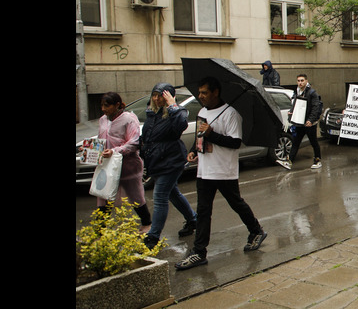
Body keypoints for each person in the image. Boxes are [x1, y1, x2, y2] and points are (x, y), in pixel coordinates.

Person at [177, 77, 267, 271]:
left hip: (224, 169)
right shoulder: (202, 112)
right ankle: (199, 252)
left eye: (204, 93)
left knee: (236, 203)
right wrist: (193, 150)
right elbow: (200, 136)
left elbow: (235, 143)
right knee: (203, 211)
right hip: (204, 170)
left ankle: (256, 231)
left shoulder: (231, 114)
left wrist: (212, 135)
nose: (200, 96)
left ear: (215, 92)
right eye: (199, 92)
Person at [140, 83, 198, 249]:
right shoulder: (152, 113)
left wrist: (172, 104)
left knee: (159, 196)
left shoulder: (177, 112)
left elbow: (181, 124)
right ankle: (193, 219)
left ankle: (153, 236)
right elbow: (148, 136)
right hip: (157, 160)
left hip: (171, 160)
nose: (157, 99)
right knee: (173, 193)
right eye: (155, 95)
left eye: (161, 96)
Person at [94, 92, 152, 232]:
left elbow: (134, 142)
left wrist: (115, 151)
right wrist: (94, 152)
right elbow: (100, 139)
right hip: (107, 165)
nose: (103, 109)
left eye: (106, 106)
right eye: (102, 105)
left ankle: (147, 222)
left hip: (127, 166)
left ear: (118, 105)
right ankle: (100, 230)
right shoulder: (103, 120)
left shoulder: (129, 119)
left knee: (135, 196)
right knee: (103, 195)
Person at [279, 74, 323, 170]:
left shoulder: (312, 93)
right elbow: (295, 105)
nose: (300, 82)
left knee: (314, 142)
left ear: (306, 81)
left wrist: (310, 120)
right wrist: (292, 112)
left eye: (302, 80)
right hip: (300, 122)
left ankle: (317, 160)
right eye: (298, 80)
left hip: (309, 123)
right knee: (296, 142)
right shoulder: (297, 92)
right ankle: (289, 161)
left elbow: (315, 108)